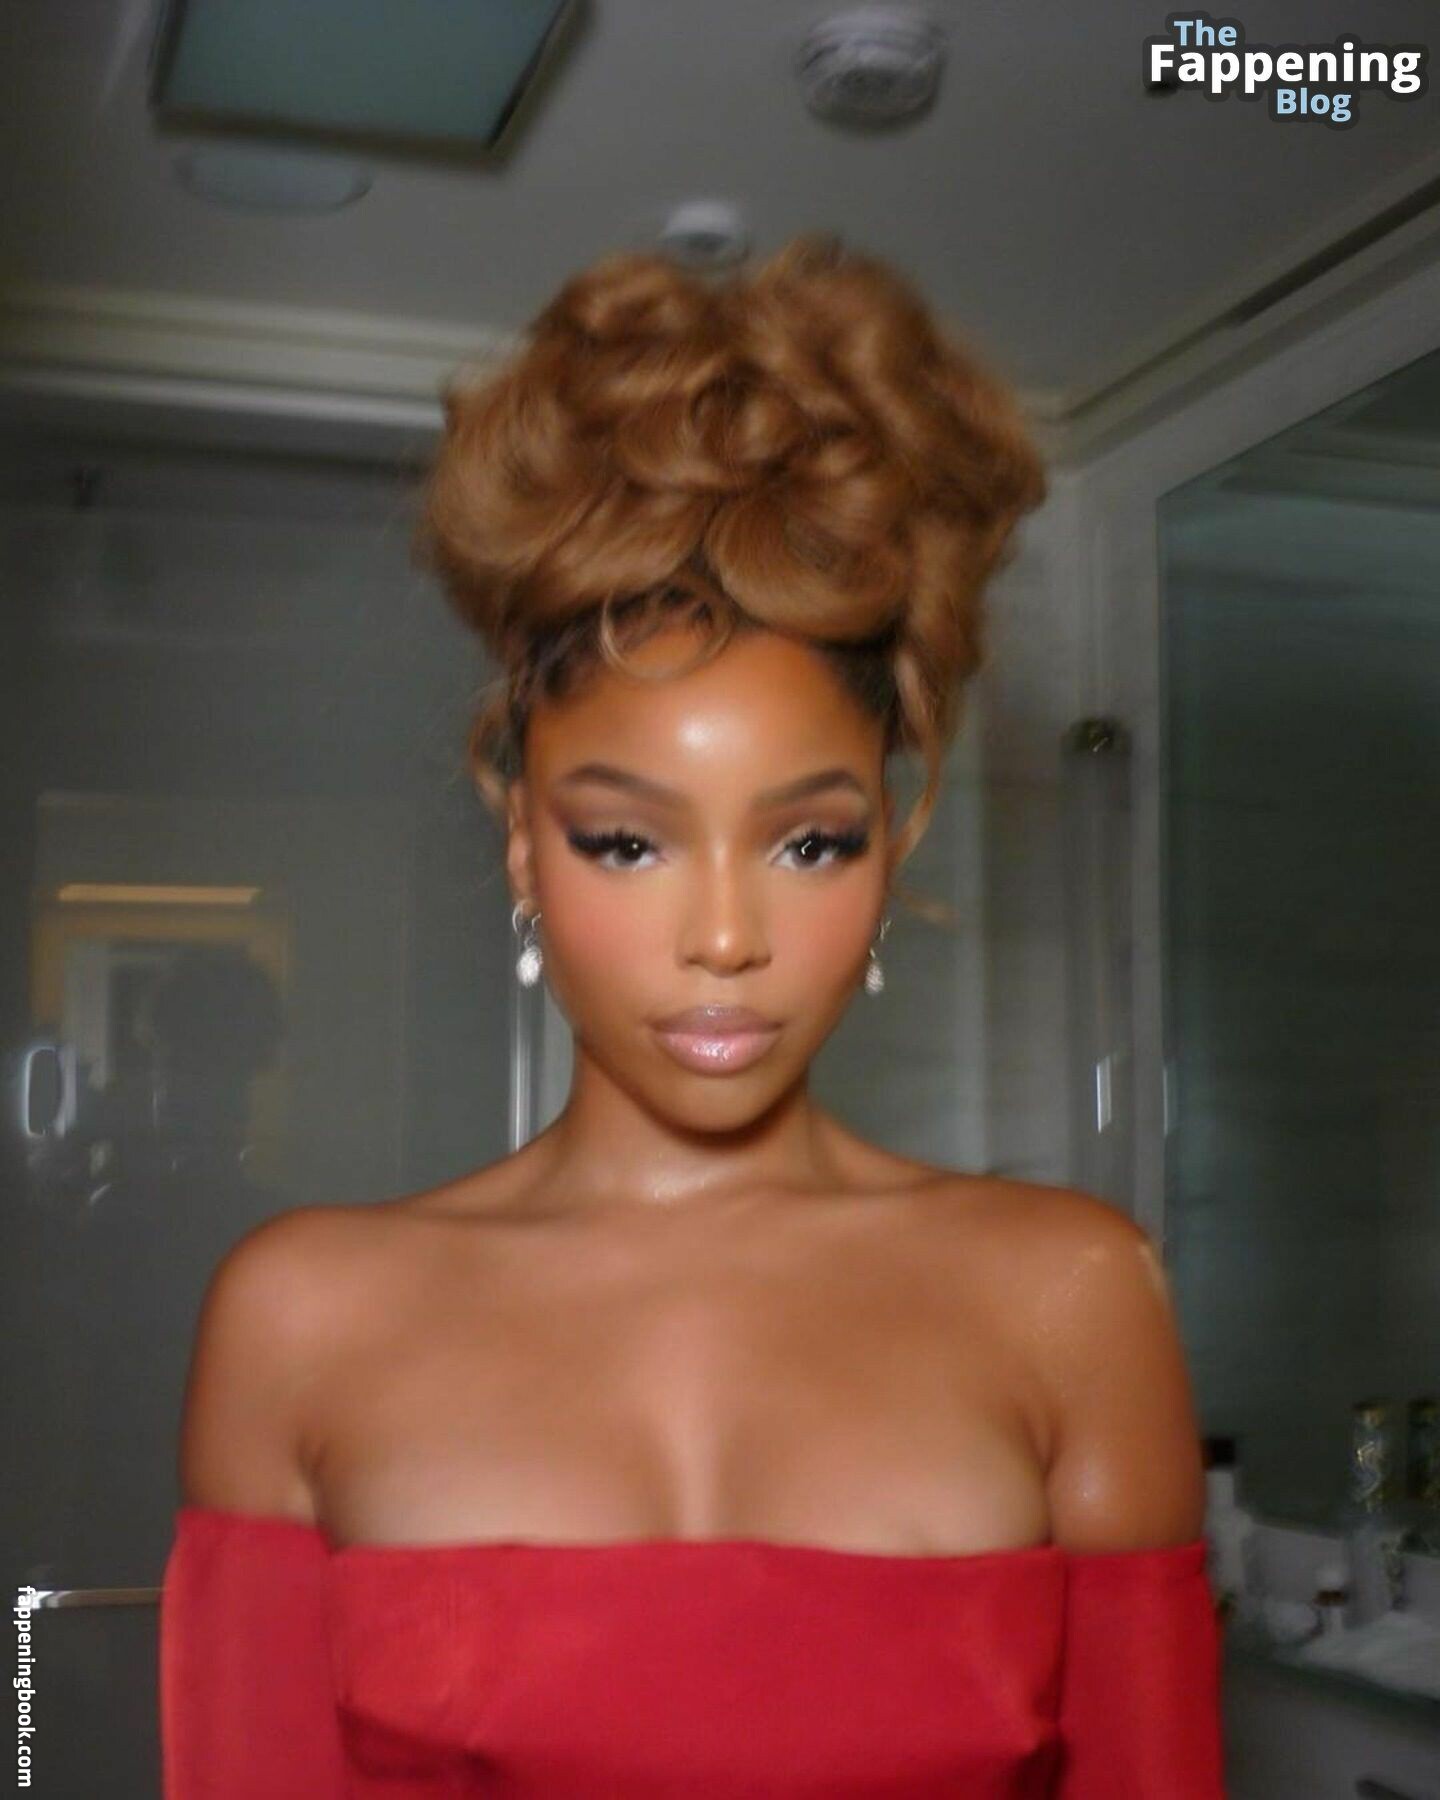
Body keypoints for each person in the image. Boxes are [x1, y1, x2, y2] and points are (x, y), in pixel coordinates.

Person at [157, 235, 1225, 1797]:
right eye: (626, 841)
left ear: (897, 839)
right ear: (521, 840)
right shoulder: (302, 1321)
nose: (725, 938)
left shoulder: (1070, 1300)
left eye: (810, 843)